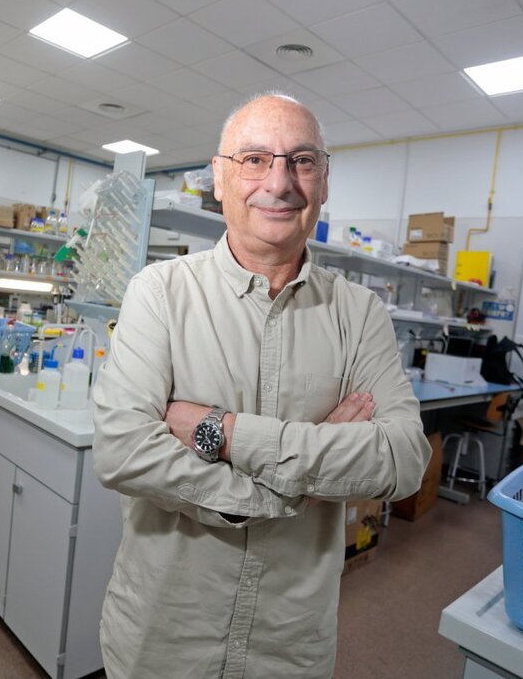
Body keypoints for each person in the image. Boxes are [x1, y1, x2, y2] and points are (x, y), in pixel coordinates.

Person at [92, 93, 432, 679]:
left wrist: (220, 432)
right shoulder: (160, 293)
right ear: (219, 179)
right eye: (254, 159)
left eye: (301, 161)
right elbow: (122, 451)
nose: (279, 182)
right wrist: (294, 485)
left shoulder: (360, 313)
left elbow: (402, 462)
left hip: (289, 648)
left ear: (324, 183)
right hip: (164, 639)